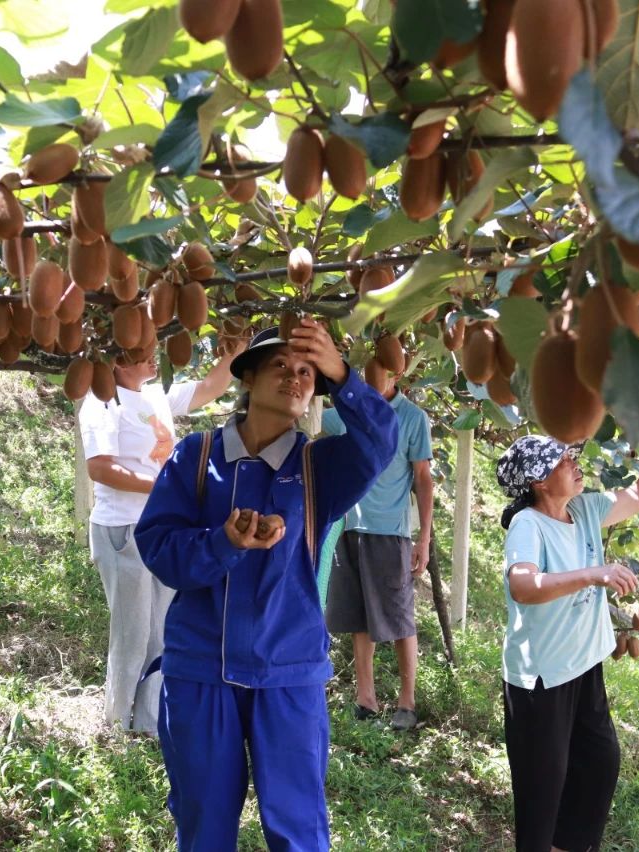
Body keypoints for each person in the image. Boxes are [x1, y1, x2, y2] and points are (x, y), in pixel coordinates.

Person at [135, 320, 397, 851]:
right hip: (200, 669)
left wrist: (341, 373)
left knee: (297, 828)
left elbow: (381, 438)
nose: (295, 378)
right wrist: (222, 543)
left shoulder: (320, 466)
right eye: (279, 366)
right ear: (247, 379)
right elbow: (159, 548)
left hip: (288, 672)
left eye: (306, 371)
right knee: (203, 824)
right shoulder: (196, 455)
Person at [495, 401, 639, 852]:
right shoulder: (528, 524)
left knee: (599, 765)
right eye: (564, 461)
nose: (575, 464)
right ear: (540, 480)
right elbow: (523, 586)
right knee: (543, 790)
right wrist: (594, 573)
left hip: (582, 667)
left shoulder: (582, 510)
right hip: (540, 678)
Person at [79, 342, 245, 735]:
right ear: (117, 361)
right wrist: (162, 485)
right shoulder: (102, 403)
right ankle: (118, 726)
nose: (156, 354)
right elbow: (100, 468)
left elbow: (208, 388)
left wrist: (235, 351)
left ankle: (149, 724)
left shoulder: (155, 393)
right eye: (143, 351)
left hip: (160, 531)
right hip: (123, 529)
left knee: (161, 632)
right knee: (131, 634)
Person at [322, 366, 433, 730]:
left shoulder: (412, 418)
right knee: (358, 616)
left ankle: (407, 702)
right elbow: (310, 420)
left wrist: (424, 539)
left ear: (399, 372)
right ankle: (365, 699)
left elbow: (423, 479)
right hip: (349, 527)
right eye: (367, 372)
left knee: (400, 617)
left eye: (382, 371)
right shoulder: (347, 412)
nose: (373, 378)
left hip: (391, 532)